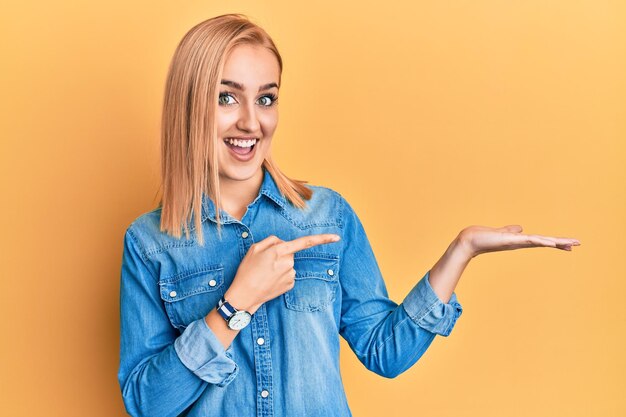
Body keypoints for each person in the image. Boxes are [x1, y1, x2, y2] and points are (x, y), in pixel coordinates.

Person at [117, 13, 580, 417]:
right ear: (189, 104)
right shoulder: (150, 243)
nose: (251, 123)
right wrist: (234, 306)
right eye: (226, 97)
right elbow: (148, 403)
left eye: (266, 98)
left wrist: (461, 251)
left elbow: (385, 351)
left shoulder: (326, 216)